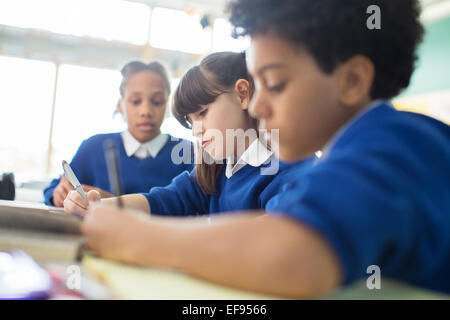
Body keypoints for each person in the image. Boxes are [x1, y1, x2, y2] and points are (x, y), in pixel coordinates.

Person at [67, 0, 450, 298]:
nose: (258, 106)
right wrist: (107, 210)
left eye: (276, 83)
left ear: (352, 80)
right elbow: (170, 200)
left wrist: (138, 239)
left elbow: (294, 254)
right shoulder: (346, 155)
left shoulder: (397, 145)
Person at [64, 51, 311, 216]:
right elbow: (164, 200)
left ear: (242, 94)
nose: (196, 130)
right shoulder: (215, 171)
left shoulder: (285, 171)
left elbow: (277, 237)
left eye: (202, 113)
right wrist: (95, 207)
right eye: (190, 121)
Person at [43, 61, 193, 207]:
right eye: (135, 101)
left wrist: (114, 203)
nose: (146, 111)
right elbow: (53, 189)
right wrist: (58, 194)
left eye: (157, 101)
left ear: (168, 105)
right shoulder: (93, 147)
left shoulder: (188, 153)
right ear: (120, 105)